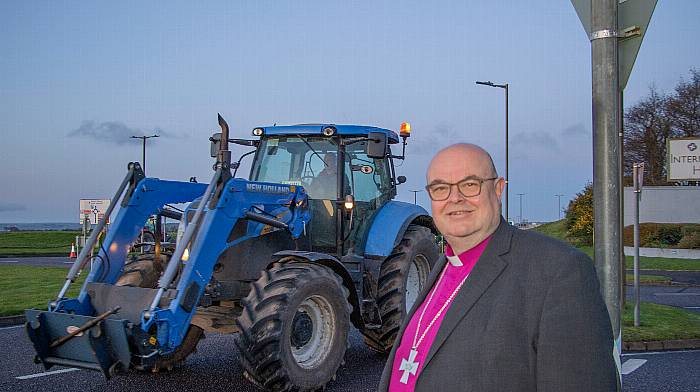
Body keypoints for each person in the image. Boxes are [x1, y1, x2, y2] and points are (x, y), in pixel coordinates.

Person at [378, 143, 618, 392]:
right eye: (440, 188)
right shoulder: (444, 265)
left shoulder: (558, 271)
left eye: (470, 184)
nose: (455, 198)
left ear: (498, 189)